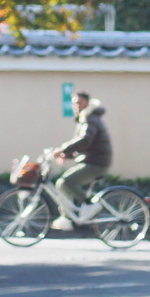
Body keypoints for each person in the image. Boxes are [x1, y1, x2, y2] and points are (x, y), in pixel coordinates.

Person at [50, 91, 112, 230]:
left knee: (65, 182)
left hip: (96, 163)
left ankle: (89, 205)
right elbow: (84, 146)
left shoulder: (90, 118)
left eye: (79, 103)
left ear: (87, 103)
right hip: (94, 161)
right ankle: (67, 217)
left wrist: (63, 150)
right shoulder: (87, 118)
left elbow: (85, 140)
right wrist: (67, 155)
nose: (76, 106)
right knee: (62, 183)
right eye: (74, 103)